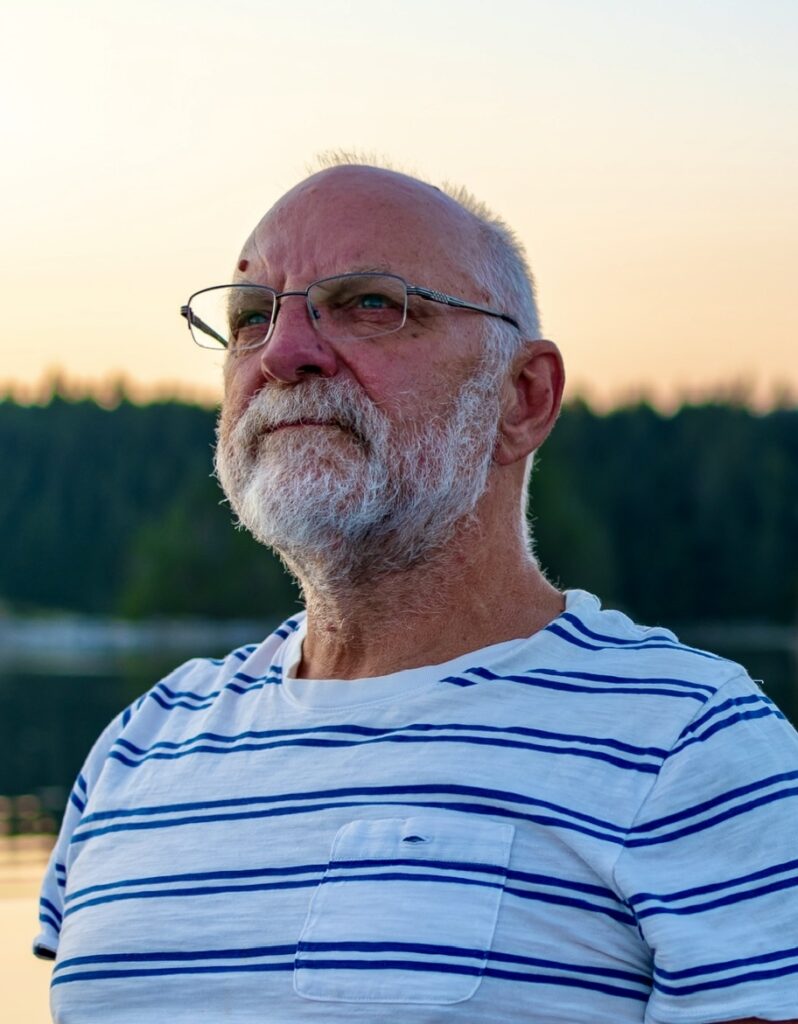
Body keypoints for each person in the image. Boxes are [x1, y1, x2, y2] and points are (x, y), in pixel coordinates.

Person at [35, 161, 798, 1024]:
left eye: (369, 303)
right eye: (251, 317)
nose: (282, 353)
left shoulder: (691, 748)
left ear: (523, 397)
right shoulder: (138, 750)